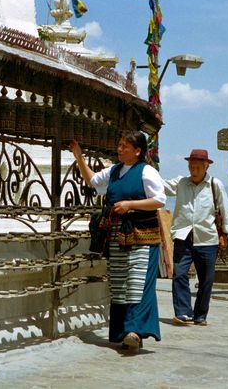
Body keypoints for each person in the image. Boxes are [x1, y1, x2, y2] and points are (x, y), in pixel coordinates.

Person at [70, 131, 166, 352]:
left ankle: (135, 331)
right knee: (120, 283)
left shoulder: (146, 171)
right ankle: (125, 332)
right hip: (117, 236)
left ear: (138, 151)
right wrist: (79, 157)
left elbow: (159, 199)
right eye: (119, 144)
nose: (120, 149)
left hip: (142, 235)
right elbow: (93, 181)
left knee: (138, 283)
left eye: (125, 146)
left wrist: (131, 205)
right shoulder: (114, 171)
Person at [163, 149, 228, 326]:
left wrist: (224, 235)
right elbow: (160, 186)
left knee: (206, 279)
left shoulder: (215, 185)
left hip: (207, 238)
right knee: (179, 273)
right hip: (183, 235)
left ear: (206, 167)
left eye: (197, 168)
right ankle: (183, 312)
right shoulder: (181, 183)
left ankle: (200, 314)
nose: (193, 171)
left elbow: (225, 210)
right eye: (191, 167)